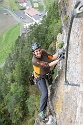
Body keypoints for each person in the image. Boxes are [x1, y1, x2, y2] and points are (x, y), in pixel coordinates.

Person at [31, 42, 64, 120]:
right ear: (34, 53)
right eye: (36, 51)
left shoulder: (44, 52)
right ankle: (41, 112)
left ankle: (51, 92)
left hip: (47, 74)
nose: (38, 52)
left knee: (51, 85)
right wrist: (59, 60)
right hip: (39, 77)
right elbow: (47, 65)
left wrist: (59, 53)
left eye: (39, 50)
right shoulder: (35, 60)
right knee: (45, 92)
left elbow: (52, 57)